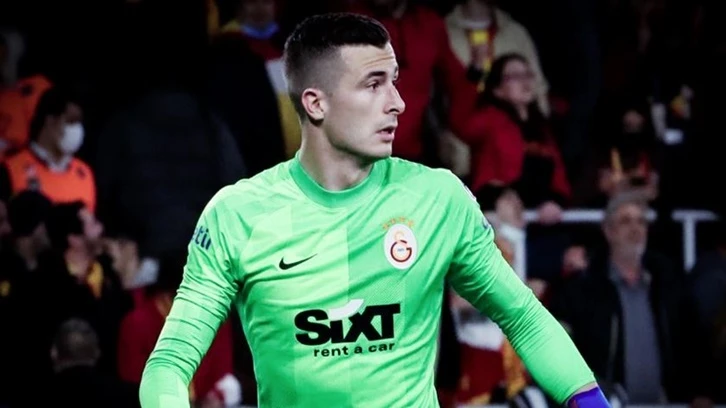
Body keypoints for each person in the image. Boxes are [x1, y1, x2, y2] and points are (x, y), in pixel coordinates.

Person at [140, 13, 609, 408]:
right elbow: (171, 362)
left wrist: (591, 403)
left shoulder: (437, 198)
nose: (398, 103)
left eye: (395, 82)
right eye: (373, 85)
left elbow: (525, 318)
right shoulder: (239, 214)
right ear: (316, 103)